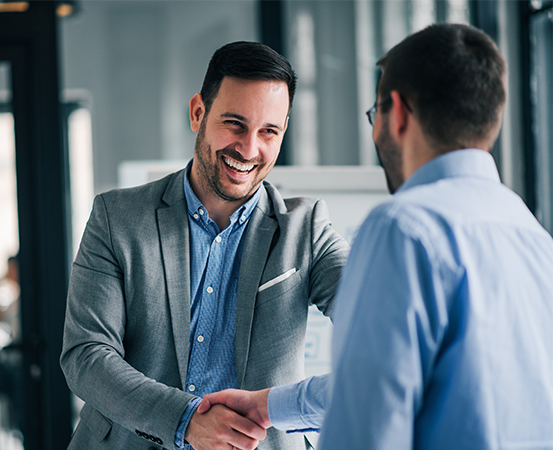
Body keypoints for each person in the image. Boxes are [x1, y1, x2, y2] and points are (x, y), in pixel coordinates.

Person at [199, 23, 553, 449]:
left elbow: (368, 419)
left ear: (398, 112)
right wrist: (270, 405)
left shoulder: (402, 228)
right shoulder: (534, 236)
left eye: (375, 114)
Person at [60, 41, 349, 450]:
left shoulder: (307, 229)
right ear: (198, 112)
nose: (249, 149)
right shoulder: (117, 218)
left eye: (269, 131)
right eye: (234, 124)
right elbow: (87, 356)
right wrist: (185, 422)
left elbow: (382, 328)